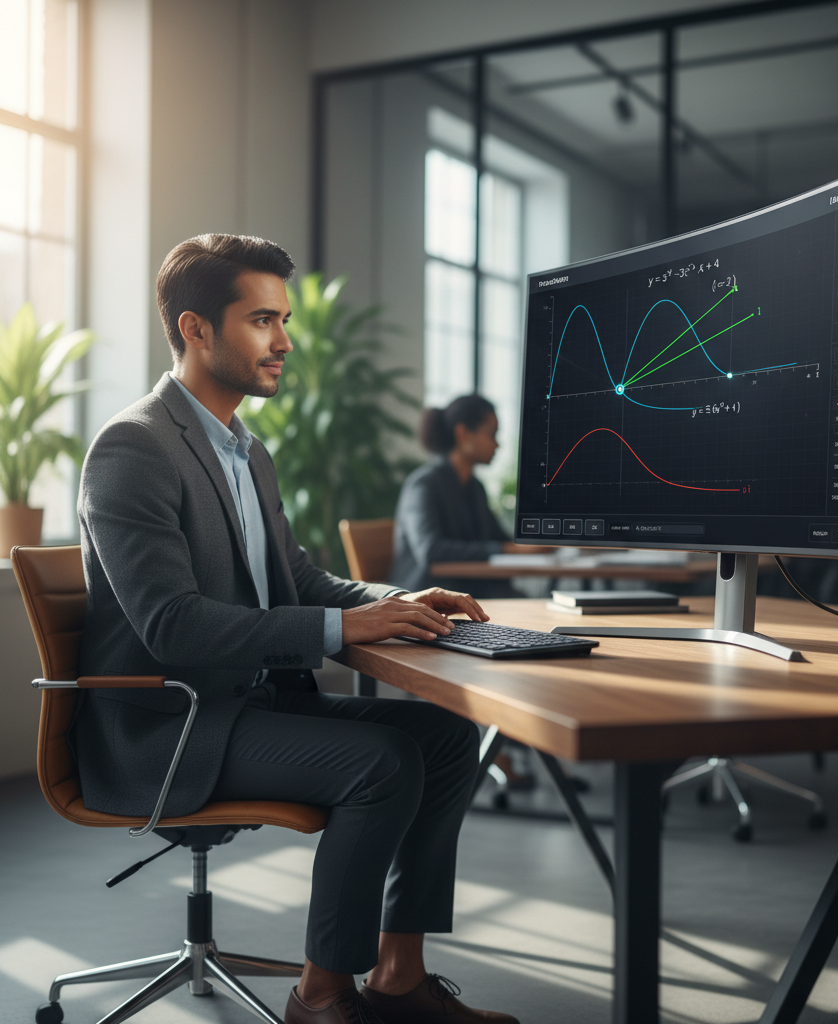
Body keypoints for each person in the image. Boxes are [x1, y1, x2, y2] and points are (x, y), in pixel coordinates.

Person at [74, 233, 519, 1024]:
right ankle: (319, 996)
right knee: (380, 763)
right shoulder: (134, 447)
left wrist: (402, 599)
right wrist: (345, 624)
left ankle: (398, 978)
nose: (284, 341)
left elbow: (300, 581)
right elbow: (172, 626)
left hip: (249, 703)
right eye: (261, 320)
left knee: (447, 738)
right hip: (172, 725)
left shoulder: (248, 450)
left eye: (283, 320)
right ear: (196, 329)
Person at [391, 395, 548, 598]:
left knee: (532, 604)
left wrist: (530, 544)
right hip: (427, 596)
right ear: (463, 433)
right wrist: (505, 549)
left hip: (470, 591)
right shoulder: (423, 484)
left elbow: (498, 539)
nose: (497, 445)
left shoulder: (475, 487)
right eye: (491, 434)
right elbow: (431, 549)